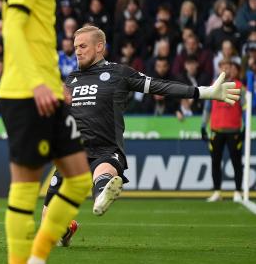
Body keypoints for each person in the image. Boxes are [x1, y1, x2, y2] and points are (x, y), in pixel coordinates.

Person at [44, 26, 239, 245]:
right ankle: (67, 228)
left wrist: (204, 92)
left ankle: (102, 193)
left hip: (106, 150)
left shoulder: (119, 73)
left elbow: (160, 86)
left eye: (83, 46)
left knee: (103, 174)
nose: (77, 51)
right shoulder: (71, 79)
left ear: (99, 47)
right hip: (73, 153)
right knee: (48, 227)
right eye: (76, 46)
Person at [0, 0, 92, 264]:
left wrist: (54, 83)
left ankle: (35, 263)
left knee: (79, 180)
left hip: (47, 92)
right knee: (25, 187)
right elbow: (13, 27)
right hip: (24, 93)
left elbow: (32, 35)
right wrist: (37, 82)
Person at [202, 59, 246, 202]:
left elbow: (245, 108)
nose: (225, 70)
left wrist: (245, 127)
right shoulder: (213, 85)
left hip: (234, 130)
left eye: (228, 67)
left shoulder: (239, 86)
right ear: (219, 69)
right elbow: (207, 108)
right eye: (223, 67)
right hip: (216, 130)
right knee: (215, 161)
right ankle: (217, 191)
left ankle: (238, 191)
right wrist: (203, 126)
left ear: (232, 69)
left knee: (236, 162)